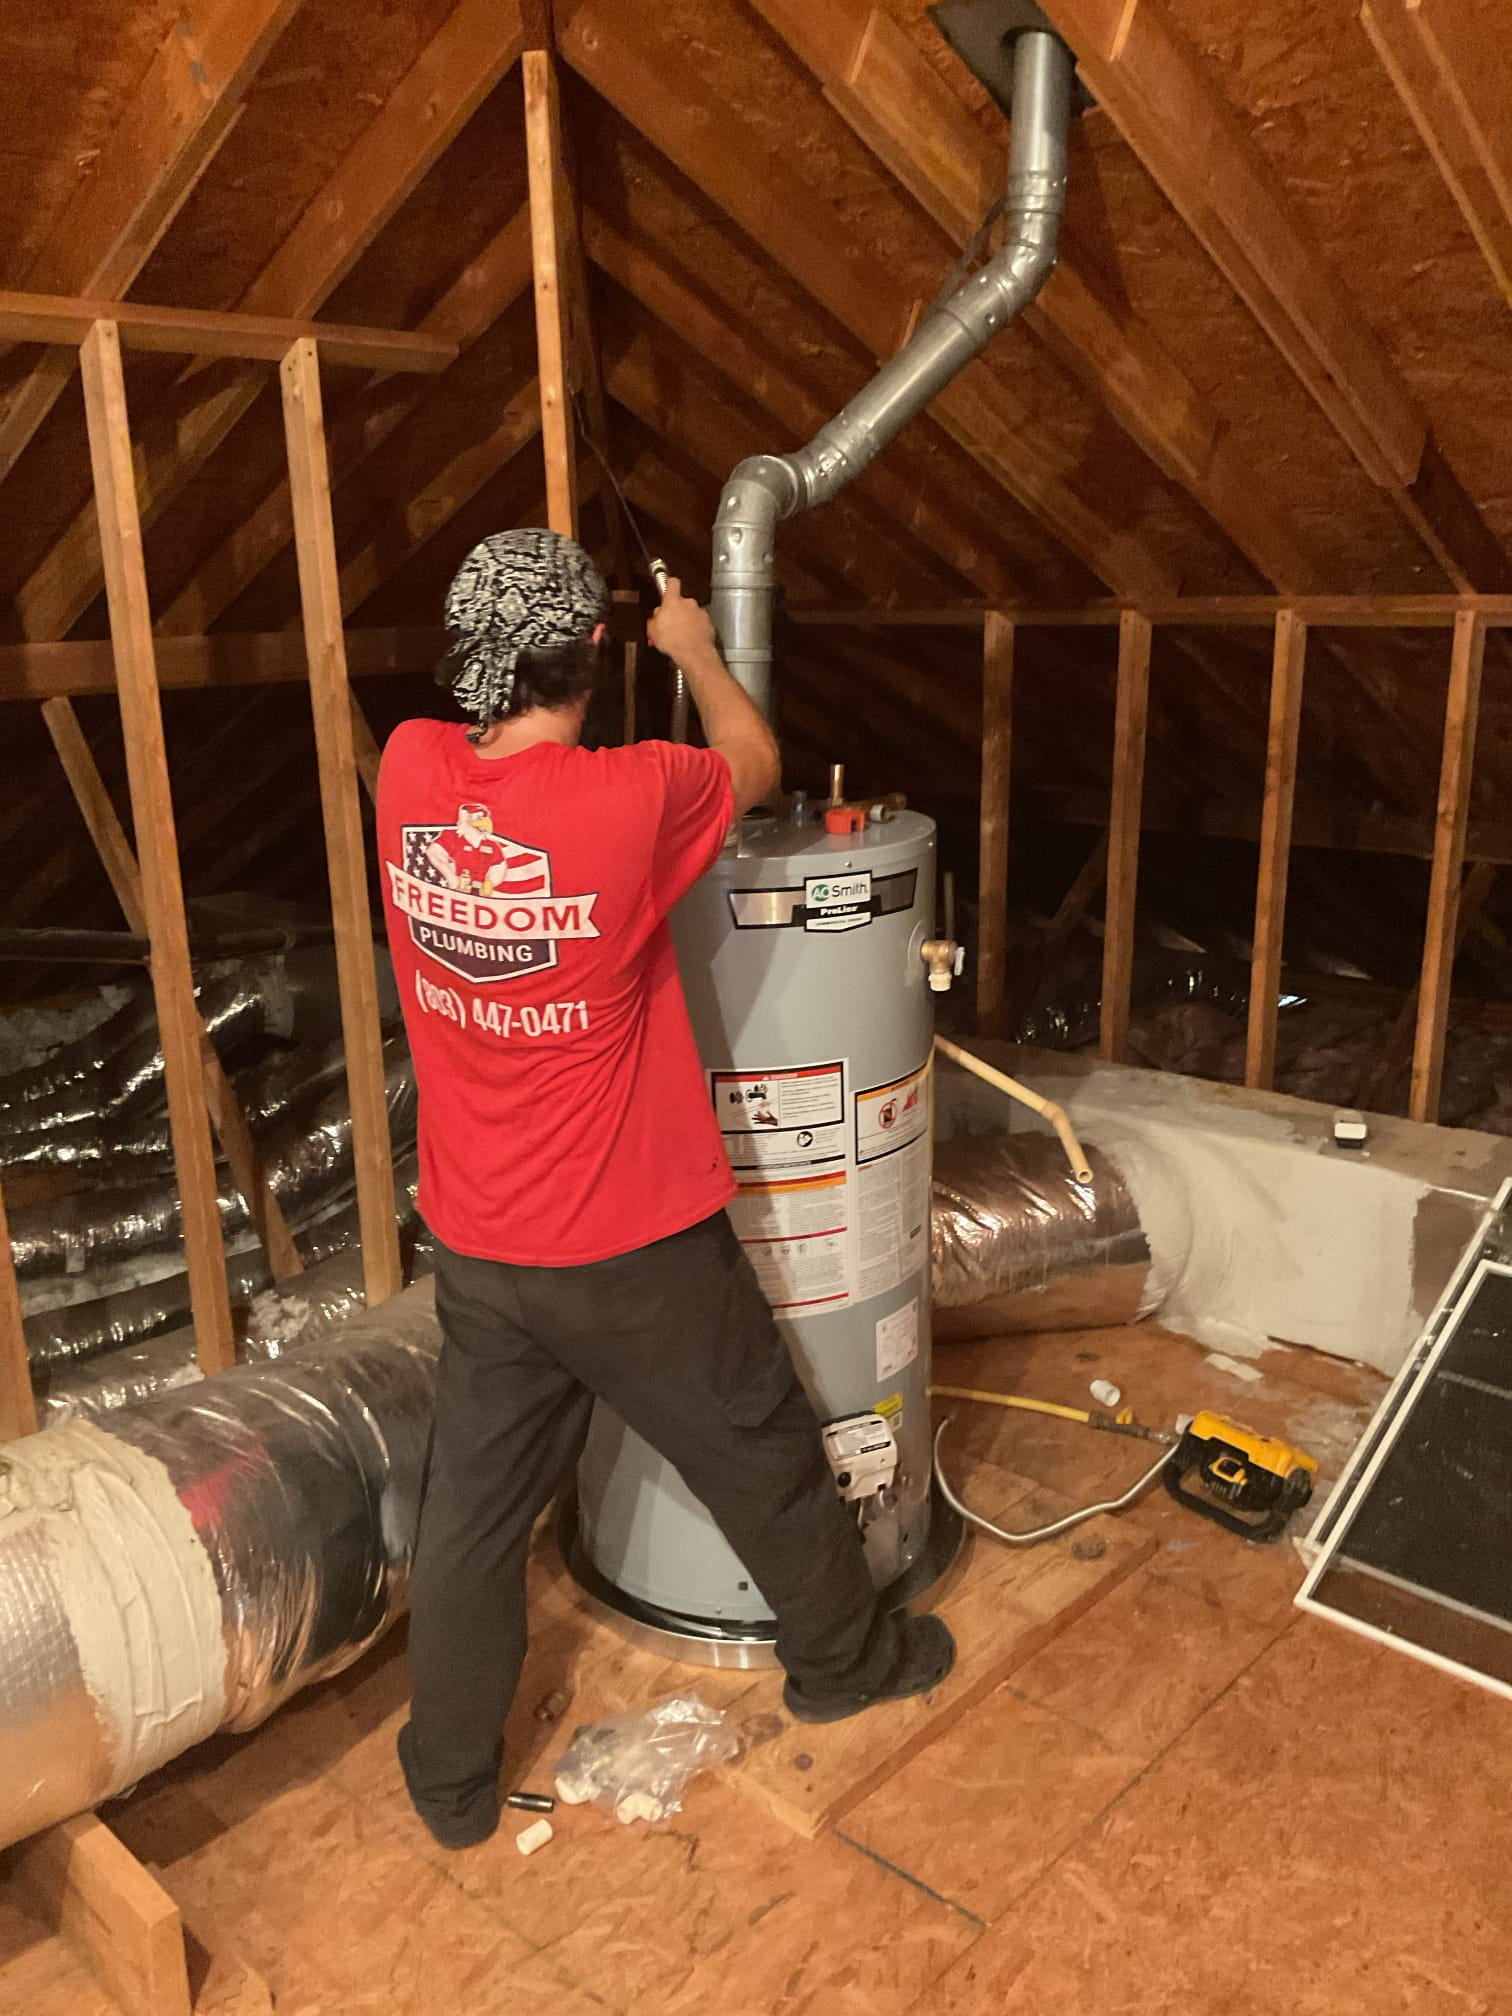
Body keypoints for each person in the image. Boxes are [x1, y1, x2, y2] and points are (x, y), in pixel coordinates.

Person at [377, 528, 955, 1850]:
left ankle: (451, 1789)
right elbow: (759, 766)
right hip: (633, 1248)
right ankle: (842, 1666)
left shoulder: (408, 773)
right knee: (759, 1451)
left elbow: (481, 775)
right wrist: (693, 647)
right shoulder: (630, 799)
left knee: (468, 1519)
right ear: (589, 655)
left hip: (477, 1244)